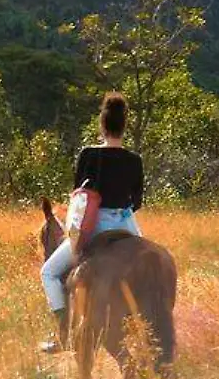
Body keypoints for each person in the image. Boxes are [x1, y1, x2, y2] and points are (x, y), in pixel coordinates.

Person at [38, 92, 145, 353]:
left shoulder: (88, 154)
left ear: (102, 123)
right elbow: (137, 201)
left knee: (49, 273)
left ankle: (64, 334)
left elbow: (79, 194)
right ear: (124, 125)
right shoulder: (135, 160)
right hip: (126, 224)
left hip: (94, 223)